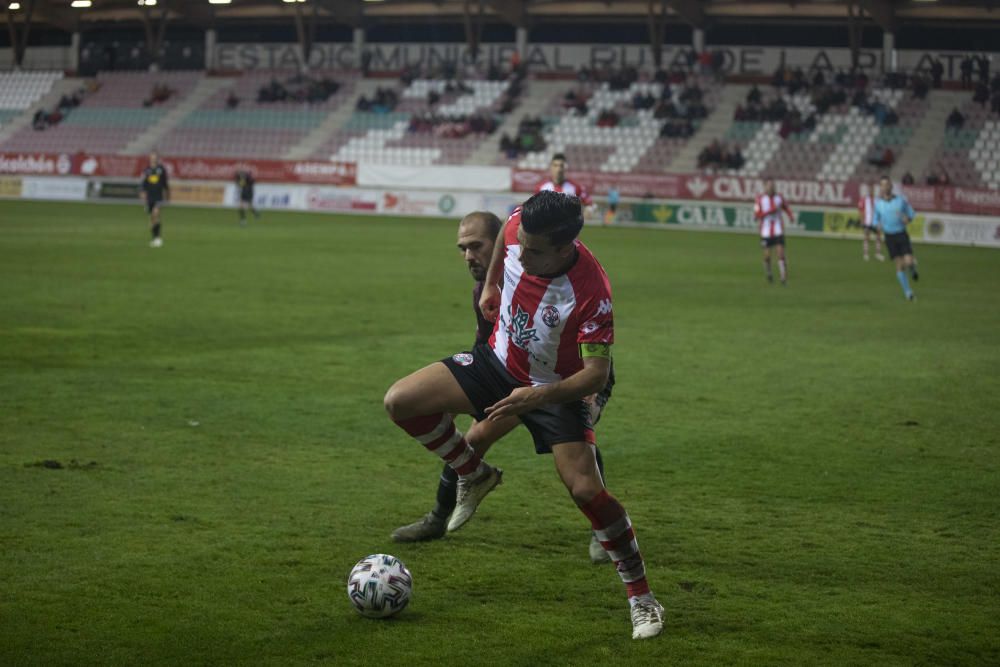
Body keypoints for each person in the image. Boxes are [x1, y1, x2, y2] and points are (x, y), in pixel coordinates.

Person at [383, 192, 664, 640]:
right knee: (400, 401)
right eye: (520, 244)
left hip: (554, 391)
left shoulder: (592, 293)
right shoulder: (518, 228)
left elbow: (596, 375)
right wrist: (493, 282)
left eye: (533, 251)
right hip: (496, 363)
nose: (521, 252)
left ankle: (642, 597)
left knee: (587, 490)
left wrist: (534, 399)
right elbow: (504, 241)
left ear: (564, 247)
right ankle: (473, 474)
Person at [392, 211, 615, 566]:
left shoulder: (539, 272)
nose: (469, 257)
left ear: (505, 242)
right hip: (511, 376)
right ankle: (438, 516)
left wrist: (586, 394)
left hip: (565, 380)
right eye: (462, 249)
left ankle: (602, 530)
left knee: (577, 443)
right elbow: (486, 345)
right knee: (474, 440)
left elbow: (591, 356)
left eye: (476, 246)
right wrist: (462, 392)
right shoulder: (485, 289)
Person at [873, 176, 919, 301]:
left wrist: (907, 219)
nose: (884, 187)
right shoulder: (878, 204)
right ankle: (908, 292)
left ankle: (913, 268)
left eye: (886, 184)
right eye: (882, 185)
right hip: (889, 237)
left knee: (908, 261)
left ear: (891, 186)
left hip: (901, 235)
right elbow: (874, 219)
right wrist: (877, 225)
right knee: (899, 266)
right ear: (881, 188)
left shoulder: (900, 201)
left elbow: (912, 213)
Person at [753, 179, 792, 285]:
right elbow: (756, 216)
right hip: (765, 231)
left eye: (772, 185)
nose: (771, 188)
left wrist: (790, 216)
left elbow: (786, 207)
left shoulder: (779, 197)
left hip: (778, 229)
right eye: (769, 186)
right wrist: (770, 211)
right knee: (767, 256)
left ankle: (783, 278)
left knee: (780, 253)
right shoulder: (759, 199)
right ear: (765, 187)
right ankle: (769, 273)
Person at [140, 151, 169, 248]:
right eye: (152, 157)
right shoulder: (147, 170)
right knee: (152, 219)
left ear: (157, 158)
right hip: (150, 197)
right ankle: (154, 238)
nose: (153, 159)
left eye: (155, 157)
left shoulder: (161, 170)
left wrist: (166, 195)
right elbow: (143, 185)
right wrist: (143, 197)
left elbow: (165, 184)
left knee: (155, 214)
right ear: (150, 158)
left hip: (158, 197)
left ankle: (158, 238)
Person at [858, 182, 885, 262]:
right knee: (867, 237)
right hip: (867, 222)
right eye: (870, 190)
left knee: (878, 237)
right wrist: (862, 220)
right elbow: (861, 210)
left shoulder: (877, 200)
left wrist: (880, 221)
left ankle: (877, 253)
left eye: (872, 190)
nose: (871, 192)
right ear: (868, 191)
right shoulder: (864, 200)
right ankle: (866, 254)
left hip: (875, 222)